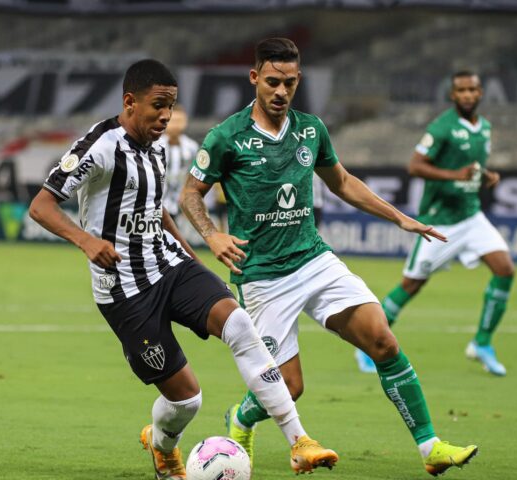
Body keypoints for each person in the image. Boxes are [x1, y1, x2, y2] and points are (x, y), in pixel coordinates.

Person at [180, 38, 478, 477]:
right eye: (272, 82)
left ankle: (430, 447)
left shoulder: (310, 129)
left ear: (298, 81)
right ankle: (242, 418)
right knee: (291, 387)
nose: (281, 91)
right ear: (255, 79)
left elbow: (341, 181)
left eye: (290, 83)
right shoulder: (227, 136)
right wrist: (212, 235)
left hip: (314, 260)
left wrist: (400, 218)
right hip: (263, 275)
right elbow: (191, 194)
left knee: (384, 341)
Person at [28, 59, 337, 479]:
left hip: (168, 264)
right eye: (158, 106)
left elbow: (157, 209)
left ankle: (299, 441)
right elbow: (41, 205)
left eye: (170, 106)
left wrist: (191, 257)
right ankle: (163, 446)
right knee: (186, 401)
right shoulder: (99, 146)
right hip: (124, 289)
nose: (165, 117)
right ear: (129, 102)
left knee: (240, 324)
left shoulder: (158, 146)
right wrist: (87, 241)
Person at [358, 71, 515, 377]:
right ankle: (368, 344)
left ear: (481, 92)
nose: (467, 94)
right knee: (412, 284)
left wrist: (487, 176)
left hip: (472, 216)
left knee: (505, 269)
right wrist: (453, 176)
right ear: (452, 95)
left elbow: (472, 169)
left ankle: (482, 342)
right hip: (440, 222)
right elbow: (415, 166)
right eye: (461, 90)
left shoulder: (484, 128)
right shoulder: (442, 127)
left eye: (472, 89)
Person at [155, 108, 198, 220]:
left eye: (180, 121)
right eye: (173, 120)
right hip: (157, 202)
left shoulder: (192, 147)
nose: (176, 125)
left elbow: (193, 174)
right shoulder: (154, 145)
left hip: (180, 203)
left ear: (185, 122)